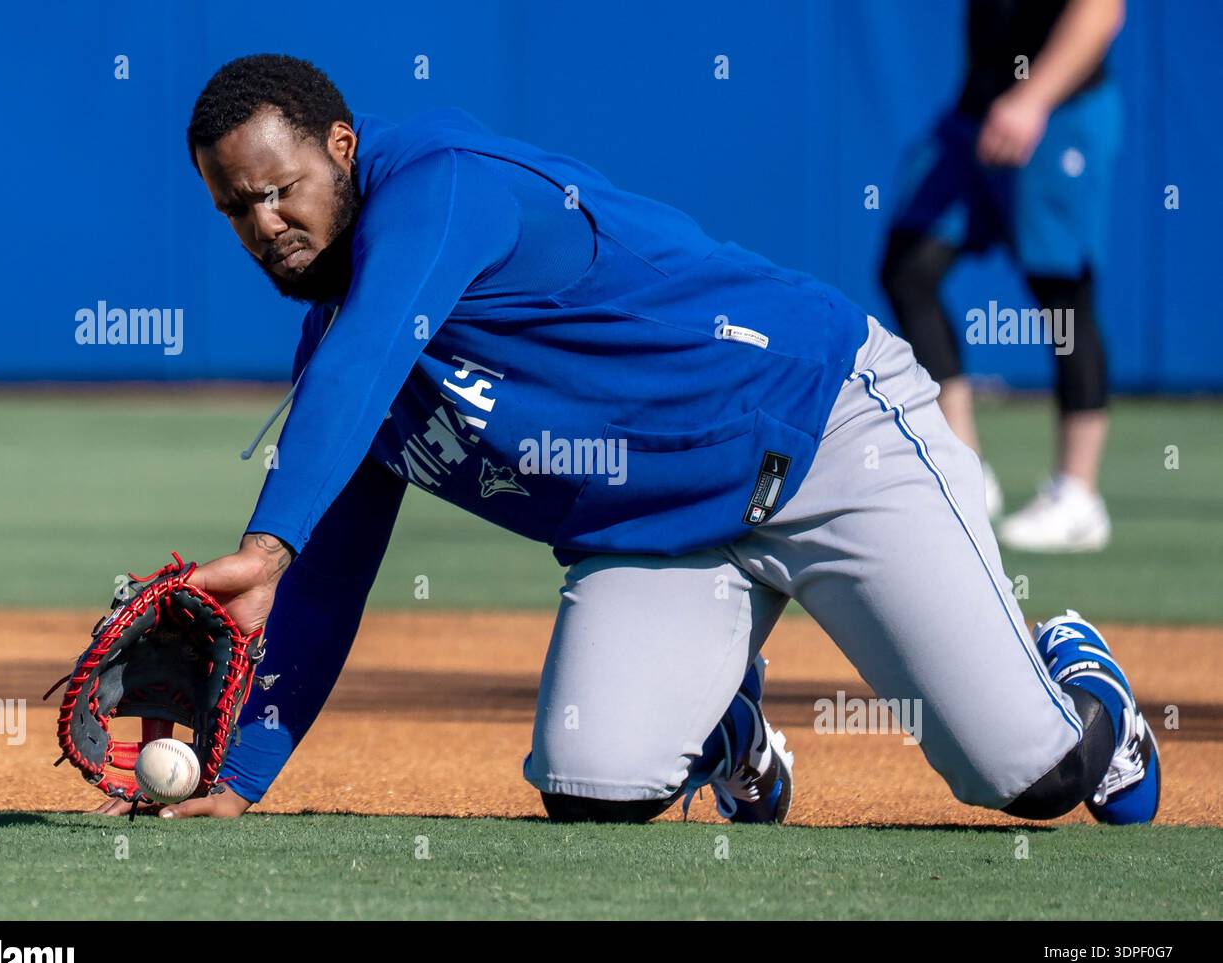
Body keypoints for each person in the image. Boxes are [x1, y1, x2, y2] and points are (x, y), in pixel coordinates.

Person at [97, 54, 1158, 826]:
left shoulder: (442, 182)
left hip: (828, 436)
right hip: (660, 535)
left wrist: (264, 539)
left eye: (280, 188)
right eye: (237, 208)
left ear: (342, 147)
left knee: (1031, 780)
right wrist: (239, 777)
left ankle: (1077, 674)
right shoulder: (343, 350)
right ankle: (727, 719)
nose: (265, 221)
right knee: (592, 788)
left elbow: (375, 341)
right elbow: (327, 581)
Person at [881, 0, 1125, 552]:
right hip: (977, 109)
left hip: (1058, 110)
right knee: (908, 267)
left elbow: (1101, 11)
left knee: (1062, 295)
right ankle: (963, 469)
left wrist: (1032, 98)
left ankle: (1078, 496)